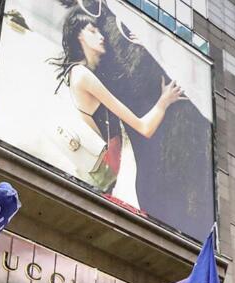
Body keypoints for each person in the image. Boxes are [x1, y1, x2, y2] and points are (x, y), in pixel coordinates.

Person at [50, 6, 185, 206]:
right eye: (93, 31)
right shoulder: (82, 75)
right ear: (79, 37)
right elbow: (144, 128)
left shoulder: (84, 73)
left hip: (107, 178)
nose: (102, 35)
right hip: (107, 179)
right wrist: (164, 101)